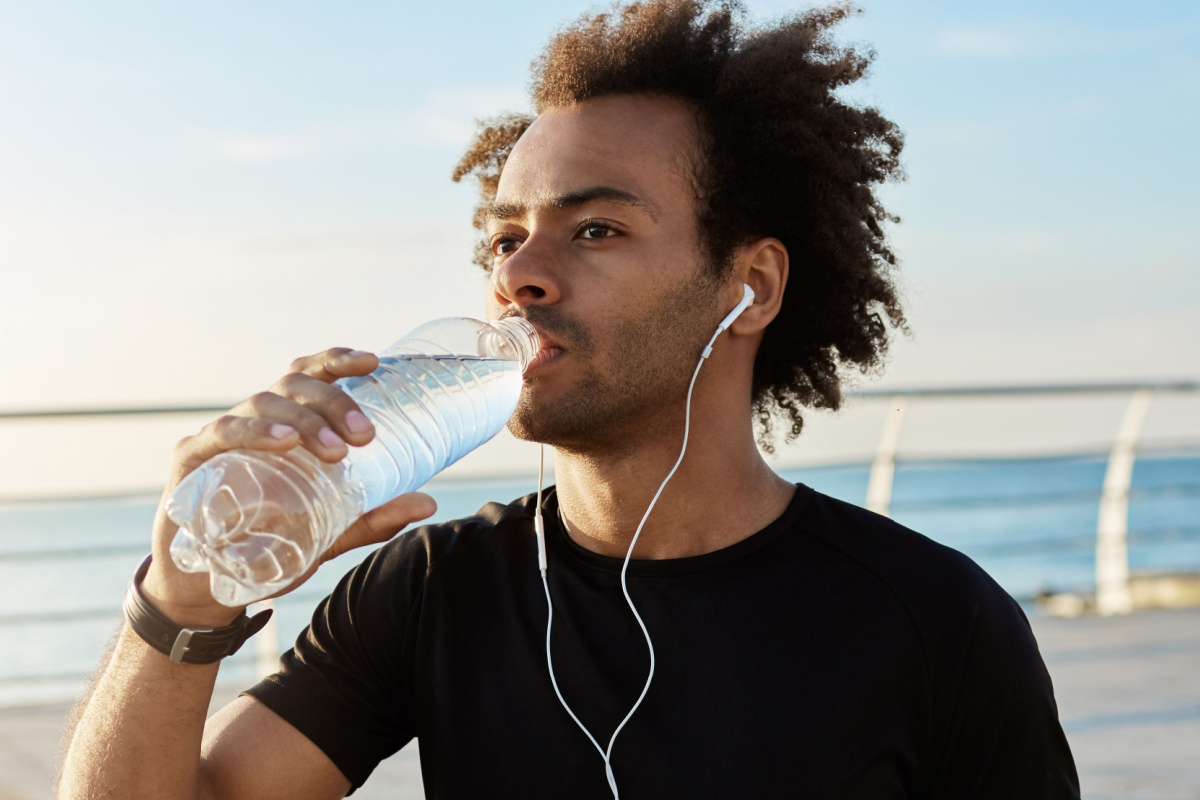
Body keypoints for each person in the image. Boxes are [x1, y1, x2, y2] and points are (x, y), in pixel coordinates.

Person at [56, 2, 1081, 798]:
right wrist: (183, 599)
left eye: (594, 230)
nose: (519, 276)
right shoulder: (433, 589)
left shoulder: (933, 620)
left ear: (750, 286)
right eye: (504, 238)